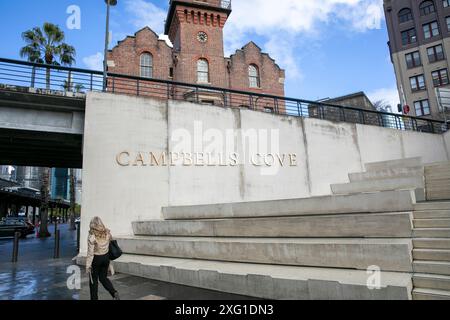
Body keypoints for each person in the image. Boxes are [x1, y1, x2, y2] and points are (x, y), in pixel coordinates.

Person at [86, 216, 120, 300]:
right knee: (103, 278)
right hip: (106, 258)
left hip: (96, 259)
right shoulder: (107, 233)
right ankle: (114, 292)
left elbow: (90, 253)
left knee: (93, 280)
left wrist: (88, 265)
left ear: (92, 224)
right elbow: (110, 244)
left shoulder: (92, 235)